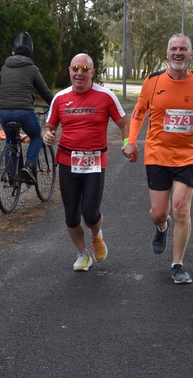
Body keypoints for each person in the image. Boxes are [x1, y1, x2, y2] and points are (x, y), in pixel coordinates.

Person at [123, 34, 193, 285]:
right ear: (167, 53)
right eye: (174, 49)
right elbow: (139, 112)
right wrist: (131, 141)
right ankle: (161, 227)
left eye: (183, 49)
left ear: (191, 54)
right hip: (157, 154)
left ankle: (177, 264)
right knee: (159, 213)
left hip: (189, 155)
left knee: (180, 208)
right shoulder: (153, 82)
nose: (178, 53)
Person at [42, 53, 129, 272]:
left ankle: (96, 235)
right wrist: (47, 135)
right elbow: (48, 127)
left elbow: (124, 123)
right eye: (75, 68)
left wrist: (128, 143)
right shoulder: (60, 98)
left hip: (94, 161)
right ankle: (82, 254)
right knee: (71, 216)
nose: (79, 73)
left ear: (92, 72)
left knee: (90, 213)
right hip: (67, 160)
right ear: (69, 70)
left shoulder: (106, 96)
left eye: (84, 69)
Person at [0, 32, 54, 184]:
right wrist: (56, 104)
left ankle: (10, 174)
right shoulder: (32, 68)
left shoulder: (5, 67)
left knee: (10, 140)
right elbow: (45, 92)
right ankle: (29, 166)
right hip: (24, 112)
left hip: (3, 112)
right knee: (37, 136)